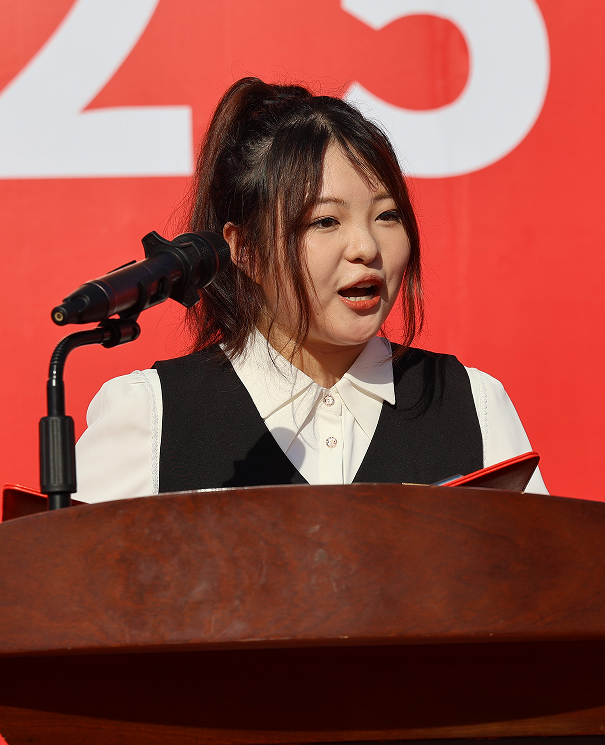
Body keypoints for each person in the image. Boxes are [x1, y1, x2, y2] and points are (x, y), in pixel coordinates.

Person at [73, 77, 546, 502]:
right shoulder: (151, 416)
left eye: (387, 215)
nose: (366, 247)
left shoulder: (472, 404)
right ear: (245, 248)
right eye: (325, 221)